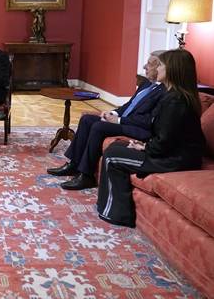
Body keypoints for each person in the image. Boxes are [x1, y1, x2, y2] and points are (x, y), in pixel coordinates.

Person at [97, 49, 206, 228]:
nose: (158, 68)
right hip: (172, 153)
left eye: (161, 65)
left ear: (173, 70)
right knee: (118, 147)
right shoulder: (173, 96)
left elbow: (166, 141)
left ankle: (117, 214)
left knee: (112, 155)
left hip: (176, 160)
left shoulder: (175, 101)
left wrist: (146, 148)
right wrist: (144, 144)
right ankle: (115, 209)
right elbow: (168, 135)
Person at [47, 51, 166, 190]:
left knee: (99, 127)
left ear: (160, 67)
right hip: (125, 120)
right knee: (87, 119)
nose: (145, 66)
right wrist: (112, 112)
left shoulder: (164, 91)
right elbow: (129, 105)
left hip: (139, 129)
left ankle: (86, 176)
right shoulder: (146, 84)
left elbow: (147, 120)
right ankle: (74, 164)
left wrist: (119, 120)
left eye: (150, 64)